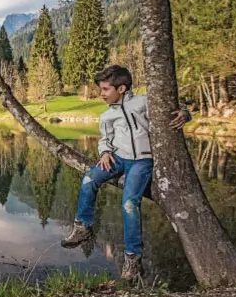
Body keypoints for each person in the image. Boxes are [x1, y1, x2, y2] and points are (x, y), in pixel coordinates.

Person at [61, 65, 191, 281]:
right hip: (117, 158)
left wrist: (186, 113)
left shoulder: (143, 102)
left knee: (129, 203)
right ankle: (83, 226)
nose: (101, 94)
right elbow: (105, 139)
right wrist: (104, 152)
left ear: (121, 88)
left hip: (142, 160)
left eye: (105, 89)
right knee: (89, 178)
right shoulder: (106, 116)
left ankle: (133, 258)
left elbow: (177, 105)